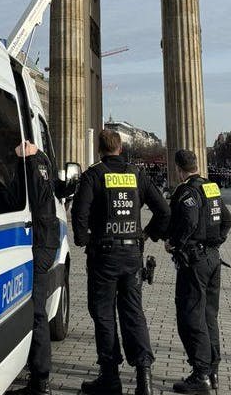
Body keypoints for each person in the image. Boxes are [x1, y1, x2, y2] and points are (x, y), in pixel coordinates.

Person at [72, 129, 170, 395]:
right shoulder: (136, 174)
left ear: (100, 148)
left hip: (104, 254)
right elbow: (163, 209)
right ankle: (144, 378)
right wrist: (147, 234)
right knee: (133, 312)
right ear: (121, 147)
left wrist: (83, 240)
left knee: (104, 315)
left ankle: (110, 377)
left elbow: (79, 212)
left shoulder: (94, 174)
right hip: (132, 254)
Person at [166, 150, 231, 394]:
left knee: (190, 316)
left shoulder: (187, 191)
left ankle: (200, 374)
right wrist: (215, 242)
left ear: (178, 168)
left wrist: (175, 243)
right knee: (209, 315)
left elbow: (190, 221)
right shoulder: (211, 187)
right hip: (213, 260)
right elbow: (227, 220)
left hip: (195, 261)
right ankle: (213, 370)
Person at [8, 140, 60, 395]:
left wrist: (29, 159)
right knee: (35, 310)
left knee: (37, 311)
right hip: (43, 242)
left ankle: (40, 381)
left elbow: (38, 198)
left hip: (39, 243)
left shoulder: (37, 164)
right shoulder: (44, 162)